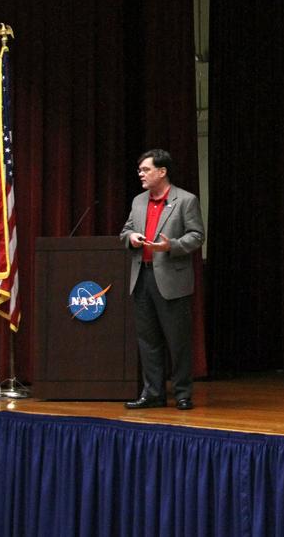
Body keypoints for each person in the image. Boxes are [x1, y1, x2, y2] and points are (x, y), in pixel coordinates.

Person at [120, 148, 204, 410]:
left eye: (145, 170)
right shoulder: (138, 201)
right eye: (140, 170)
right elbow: (125, 230)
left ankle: (182, 393)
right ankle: (153, 393)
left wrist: (171, 246)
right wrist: (131, 238)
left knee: (177, 340)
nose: (140, 174)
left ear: (162, 171)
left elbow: (197, 236)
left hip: (171, 279)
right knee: (148, 339)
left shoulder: (186, 200)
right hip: (142, 276)